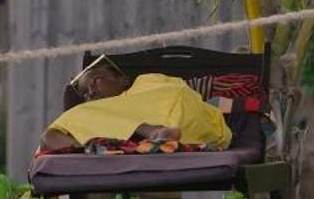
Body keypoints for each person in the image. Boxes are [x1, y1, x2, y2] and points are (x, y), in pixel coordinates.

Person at [37, 53, 231, 156]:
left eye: (95, 81)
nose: (92, 93)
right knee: (60, 128)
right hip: (176, 136)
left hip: (193, 121)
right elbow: (49, 139)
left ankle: (153, 133)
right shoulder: (99, 113)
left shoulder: (147, 82)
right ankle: (85, 149)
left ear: (121, 78)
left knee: (76, 117)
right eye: (86, 94)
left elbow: (180, 93)